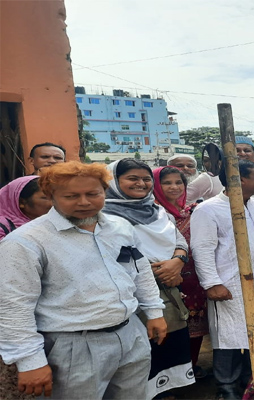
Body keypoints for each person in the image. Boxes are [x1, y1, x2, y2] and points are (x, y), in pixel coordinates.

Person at [0, 161, 166, 399]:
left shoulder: (120, 227)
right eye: (71, 196)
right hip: (72, 346)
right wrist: (29, 361)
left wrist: (154, 312)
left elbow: (140, 270)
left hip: (131, 334)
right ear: (51, 196)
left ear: (105, 191)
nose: (84, 202)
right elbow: (13, 306)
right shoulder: (25, 242)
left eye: (93, 193)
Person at [191, 160, 254, 399]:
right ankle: (226, 387)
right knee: (230, 336)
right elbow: (202, 249)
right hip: (231, 283)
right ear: (240, 180)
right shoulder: (208, 209)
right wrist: (212, 283)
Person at [103, 159, 195, 397]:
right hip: (134, 296)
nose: (141, 184)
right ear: (113, 181)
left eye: (145, 179)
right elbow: (118, 256)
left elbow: (179, 241)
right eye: (132, 178)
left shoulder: (157, 211)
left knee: (170, 348)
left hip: (169, 293)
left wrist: (177, 262)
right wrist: (161, 273)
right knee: (142, 356)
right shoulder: (103, 215)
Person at [152, 166, 209, 379]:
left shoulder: (195, 210)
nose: (174, 187)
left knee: (196, 327)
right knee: (168, 327)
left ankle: (191, 369)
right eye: (167, 183)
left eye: (179, 183)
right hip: (166, 278)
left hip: (196, 278)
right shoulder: (153, 213)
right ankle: (169, 377)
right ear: (156, 185)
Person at [0, 175, 53, 399]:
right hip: (16, 316)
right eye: (46, 197)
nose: (55, 202)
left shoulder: (56, 229)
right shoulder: (6, 229)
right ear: (21, 202)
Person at [0, 176, 52, 240]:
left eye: (54, 197)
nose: (54, 203)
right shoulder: (3, 229)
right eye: (45, 198)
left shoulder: (56, 223)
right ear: (22, 202)